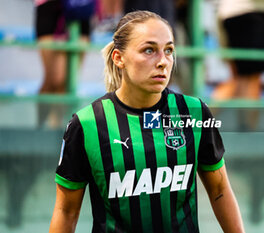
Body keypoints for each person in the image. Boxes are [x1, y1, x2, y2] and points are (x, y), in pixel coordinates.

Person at [49, 10, 245, 233]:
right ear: (118, 58)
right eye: (149, 50)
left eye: (169, 50)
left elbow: (219, 189)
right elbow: (66, 211)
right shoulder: (87, 124)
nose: (163, 61)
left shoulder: (194, 113)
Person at [35, 0, 93, 127]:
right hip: (51, 8)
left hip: (81, 7)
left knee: (67, 82)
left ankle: (58, 131)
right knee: (54, 80)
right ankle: (41, 129)